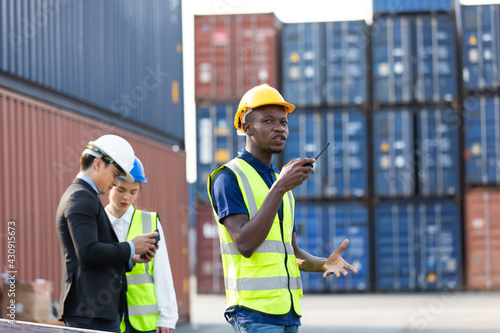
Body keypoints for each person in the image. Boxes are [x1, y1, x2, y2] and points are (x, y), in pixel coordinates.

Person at [208, 84, 359, 332]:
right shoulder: (228, 177)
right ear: (247, 127)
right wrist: (279, 187)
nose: (279, 127)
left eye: (283, 122)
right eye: (268, 121)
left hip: (288, 313)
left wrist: (324, 263)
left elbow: (291, 252)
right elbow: (244, 244)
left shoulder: (280, 181)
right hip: (254, 313)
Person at [56, 134, 160, 332]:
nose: (114, 182)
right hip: (89, 313)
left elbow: (93, 253)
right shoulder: (81, 198)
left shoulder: (83, 197)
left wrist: (131, 258)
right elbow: (87, 252)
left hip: (94, 312)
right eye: (114, 174)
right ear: (97, 164)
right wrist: (130, 246)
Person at [105, 157, 178, 333]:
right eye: (121, 190)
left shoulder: (150, 222)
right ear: (110, 185)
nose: (126, 197)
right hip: (110, 319)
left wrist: (167, 316)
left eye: (133, 192)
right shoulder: (98, 221)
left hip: (146, 322)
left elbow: (162, 271)